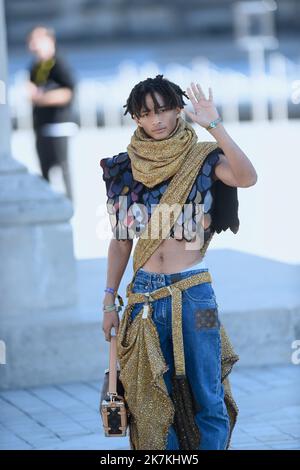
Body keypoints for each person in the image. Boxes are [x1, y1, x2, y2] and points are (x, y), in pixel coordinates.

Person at [99, 74, 257, 450]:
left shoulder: (203, 157)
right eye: (146, 113)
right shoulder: (123, 169)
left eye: (164, 109)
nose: (157, 120)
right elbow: (121, 242)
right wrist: (109, 300)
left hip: (197, 294)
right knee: (150, 400)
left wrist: (215, 126)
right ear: (135, 118)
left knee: (208, 390)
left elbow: (247, 177)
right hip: (143, 300)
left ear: (177, 109)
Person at [27, 26, 76, 200]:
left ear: (50, 41)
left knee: (63, 167)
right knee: (44, 168)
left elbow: (68, 92)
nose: (34, 45)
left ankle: (70, 203)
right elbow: (31, 90)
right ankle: (48, 201)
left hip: (59, 124)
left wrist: (43, 98)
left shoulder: (59, 63)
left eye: (38, 40)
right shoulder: (36, 66)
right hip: (41, 125)